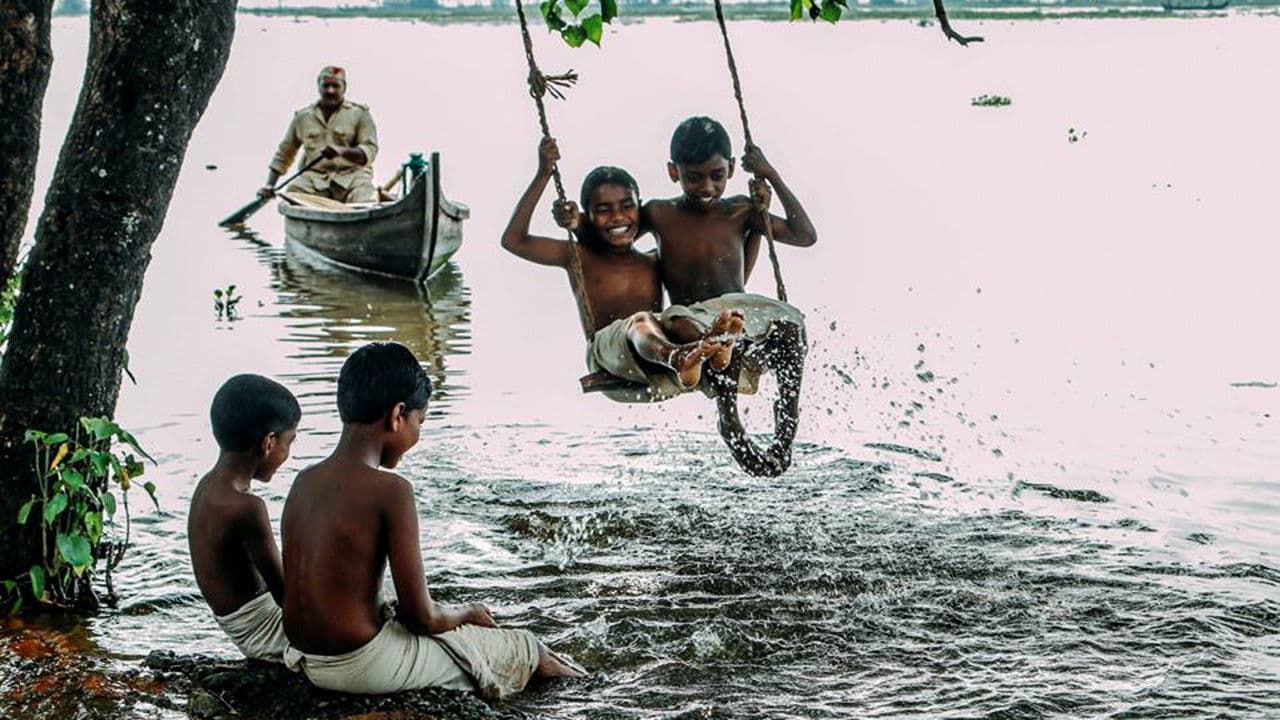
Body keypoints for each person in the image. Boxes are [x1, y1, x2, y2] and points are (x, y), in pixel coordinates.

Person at [280, 342, 584, 698]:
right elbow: (421, 618)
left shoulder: (305, 481)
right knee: (525, 649)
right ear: (397, 415)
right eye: (419, 421)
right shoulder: (391, 490)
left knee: (408, 609)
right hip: (360, 666)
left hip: (304, 657)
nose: (417, 433)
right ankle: (588, 686)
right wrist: (467, 613)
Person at [501, 137, 744, 399]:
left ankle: (712, 348)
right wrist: (543, 175)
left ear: (640, 209)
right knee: (641, 320)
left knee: (677, 317)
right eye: (604, 210)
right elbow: (513, 240)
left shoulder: (652, 261)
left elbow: (719, 263)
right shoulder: (578, 257)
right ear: (588, 216)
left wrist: (753, 222)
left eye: (626, 206)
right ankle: (680, 357)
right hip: (609, 358)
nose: (617, 217)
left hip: (652, 355)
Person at [644, 116, 818, 472]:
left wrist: (770, 174)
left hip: (738, 312)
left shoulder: (741, 209)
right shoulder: (659, 213)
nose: (706, 186)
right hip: (693, 320)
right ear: (673, 172)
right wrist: (573, 223)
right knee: (727, 332)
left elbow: (805, 235)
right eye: (694, 177)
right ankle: (730, 421)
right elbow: (607, 241)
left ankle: (785, 433)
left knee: (788, 331)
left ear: (732, 169)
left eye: (717, 176)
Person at [188, 374, 301, 663]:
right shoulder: (247, 507)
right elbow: (287, 596)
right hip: (266, 633)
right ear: (269, 443)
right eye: (290, 442)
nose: (288, 453)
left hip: (245, 629)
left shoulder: (207, 485)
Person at [260, 66, 379, 204]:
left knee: (367, 198)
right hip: (313, 180)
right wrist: (270, 185)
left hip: (352, 178)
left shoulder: (359, 114)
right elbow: (285, 153)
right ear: (319, 86)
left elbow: (370, 150)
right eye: (326, 85)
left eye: (335, 86)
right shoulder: (302, 117)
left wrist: (341, 152)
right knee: (292, 193)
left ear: (344, 88)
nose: (330, 90)